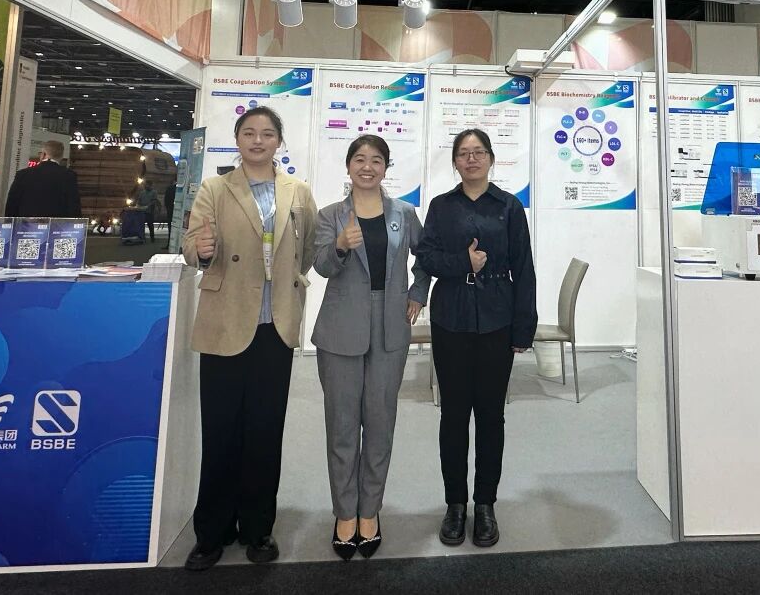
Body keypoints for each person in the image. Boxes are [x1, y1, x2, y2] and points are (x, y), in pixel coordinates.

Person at [181, 106, 318, 572]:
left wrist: (289, 280)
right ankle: (212, 532)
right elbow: (192, 243)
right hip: (225, 321)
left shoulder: (297, 192)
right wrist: (200, 251)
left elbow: (309, 247)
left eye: (267, 133)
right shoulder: (215, 188)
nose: (258, 140)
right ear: (238, 139)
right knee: (221, 431)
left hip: (274, 326)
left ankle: (259, 528)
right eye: (249, 133)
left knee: (264, 431)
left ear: (279, 141)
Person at [414, 128, 536, 549]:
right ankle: (455, 505)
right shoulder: (441, 206)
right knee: (452, 416)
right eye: (464, 153)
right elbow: (426, 257)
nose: (471, 159)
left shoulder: (509, 206)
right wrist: (462, 263)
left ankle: (485, 504)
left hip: (497, 321)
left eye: (478, 152)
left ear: (490, 159)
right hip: (451, 320)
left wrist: (524, 326)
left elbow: (524, 268)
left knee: (490, 417)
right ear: (454, 161)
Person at [312, 135, 430, 560]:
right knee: (342, 426)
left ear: (385, 167)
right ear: (348, 166)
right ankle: (345, 513)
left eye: (376, 160)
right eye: (359, 159)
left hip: (390, 327)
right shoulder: (330, 215)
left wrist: (417, 292)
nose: (367, 166)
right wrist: (340, 246)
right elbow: (320, 265)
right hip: (340, 329)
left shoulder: (404, 214)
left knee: (380, 425)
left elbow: (426, 258)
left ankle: (370, 511)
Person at [4, 140, 80, 217]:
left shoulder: (23, 174)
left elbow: (12, 204)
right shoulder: (69, 176)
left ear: (43, 154)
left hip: (26, 223)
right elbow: (73, 205)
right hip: (57, 223)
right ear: (61, 157)